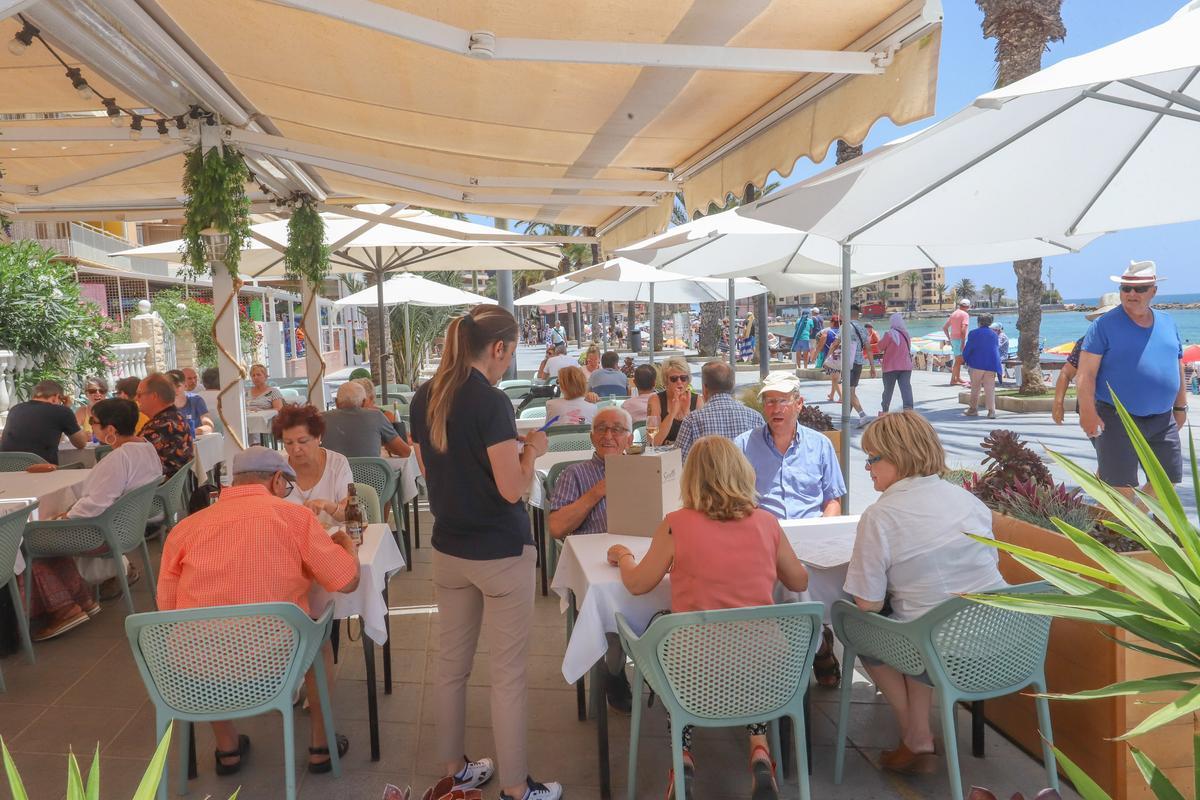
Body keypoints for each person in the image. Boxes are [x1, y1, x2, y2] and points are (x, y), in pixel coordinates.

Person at [409, 305, 562, 800]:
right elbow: (512, 488)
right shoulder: (492, 402)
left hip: (449, 547)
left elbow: (436, 471)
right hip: (499, 551)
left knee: (452, 666)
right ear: (497, 348)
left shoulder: (423, 397)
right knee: (508, 675)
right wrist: (532, 448)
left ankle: (454, 769)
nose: (507, 364)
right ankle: (517, 789)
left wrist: (502, 448)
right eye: (510, 353)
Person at [605, 436, 809, 800]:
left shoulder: (676, 524)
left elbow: (638, 584)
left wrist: (622, 556)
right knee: (747, 650)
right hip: (768, 667)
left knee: (669, 638)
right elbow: (799, 580)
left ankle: (682, 754)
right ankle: (759, 750)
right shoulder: (767, 523)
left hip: (697, 668)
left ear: (691, 478)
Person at [157, 445, 360, 775]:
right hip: (276, 664)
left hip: (194, 673)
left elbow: (168, 611)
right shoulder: (295, 518)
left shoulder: (185, 529)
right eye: (288, 487)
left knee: (195, 634)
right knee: (319, 637)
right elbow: (347, 580)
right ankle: (320, 746)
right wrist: (345, 543)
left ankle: (228, 749)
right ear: (278, 480)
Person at [845, 411, 1005, 773]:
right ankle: (917, 735)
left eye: (872, 457)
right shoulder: (969, 501)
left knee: (854, 622)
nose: (867, 466)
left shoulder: (880, 516)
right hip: (1005, 644)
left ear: (898, 457)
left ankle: (915, 733)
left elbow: (867, 602)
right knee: (919, 616)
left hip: (939, 649)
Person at [735, 372, 846, 687]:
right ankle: (815, 647)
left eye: (782, 400)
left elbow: (832, 501)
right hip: (760, 545)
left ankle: (807, 650)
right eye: (769, 401)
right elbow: (733, 501)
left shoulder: (820, 445)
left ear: (799, 404)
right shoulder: (742, 446)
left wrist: (824, 529)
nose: (775, 408)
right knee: (784, 585)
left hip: (812, 544)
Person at [546, 408, 635, 712]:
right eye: (601, 428)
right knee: (613, 612)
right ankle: (613, 670)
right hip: (596, 568)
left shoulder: (646, 470)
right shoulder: (575, 474)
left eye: (617, 429)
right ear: (591, 435)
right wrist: (598, 491)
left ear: (630, 437)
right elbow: (556, 527)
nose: (608, 436)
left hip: (639, 560)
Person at [1076, 261, 1186, 498]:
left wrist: (1180, 406)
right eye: (1126, 288)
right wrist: (1087, 411)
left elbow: (1177, 365)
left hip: (1162, 418)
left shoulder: (1167, 322)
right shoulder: (1103, 325)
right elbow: (1085, 374)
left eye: (1140, 288)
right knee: (1120, 487)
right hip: (1116, 417)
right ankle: (1123, 530)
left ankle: (1136, 527)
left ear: (1153, 291)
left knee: (1167, 482)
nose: (1131, 294)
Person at [66, 398, 163, 599]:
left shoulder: (119, 458)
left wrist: (64, 516)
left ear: (110, 429)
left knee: (30, 537)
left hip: (106, 533)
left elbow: (95, 506)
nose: (90, 425)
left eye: (93, 421)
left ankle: (65, 601)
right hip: (131, 527)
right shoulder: (146, 447)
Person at [273, 404, 354, 529]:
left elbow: (350, 514)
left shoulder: (337, 463)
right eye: (288, 443)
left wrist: (328, 506)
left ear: (318, 437)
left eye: (303, 441)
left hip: (332, 541)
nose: (295, 449)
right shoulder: (278, 468)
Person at [674, 360, 762, 461]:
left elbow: (678, 461)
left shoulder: (692, 420)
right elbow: (763, 458)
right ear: (733, 385)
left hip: (705, 476)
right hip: (744, 476)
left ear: (704, 388)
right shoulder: (755, 417)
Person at [1, 379, 87, 465]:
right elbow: (81, 443)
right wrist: (67, 408)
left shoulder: (15, 409)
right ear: (56, 397)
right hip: (41, 471)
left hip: (7, 468)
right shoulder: (62, 411)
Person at [322, 381, 411, 458]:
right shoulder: (376, 417)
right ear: (364, 402)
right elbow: (405, 452)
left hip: (336, 477)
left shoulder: (321, 419)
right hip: (371, 477)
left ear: (337, 402)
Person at [136, 373, 194, 479]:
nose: (136, 398)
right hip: (174, 490)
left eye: (139, 394)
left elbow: (132, 461)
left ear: (154, 396)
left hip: (156, 492)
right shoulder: (176, 417)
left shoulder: (160, 426)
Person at [827, 304, 875, 428]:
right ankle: (845, 418)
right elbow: (869, 349)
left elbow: (835, 343)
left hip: (848, 362)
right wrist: (872, 366)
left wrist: (828, 358)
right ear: (858, 314)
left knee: (848, 391)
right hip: (859, 361)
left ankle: (863, 415)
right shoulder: (863, 328)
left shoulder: (845, 327)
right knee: (851, 390)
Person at [645, 357, 701, 448]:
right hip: (664, 458)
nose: (679, 382)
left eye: (683, 378)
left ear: (688, 380)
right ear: (666, 381)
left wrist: (687, 413)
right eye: (674, 379)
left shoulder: (697, 400)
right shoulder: (656, 400)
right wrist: (672, 414)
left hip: (689, 457)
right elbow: (653, 442)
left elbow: (699, 441)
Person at [962, 313, 1002, 419]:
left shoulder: (973, 333)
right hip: (992, 363)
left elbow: (968, 348)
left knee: (975, 387)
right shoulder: (994, 334)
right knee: (990, 388)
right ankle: (991, 411)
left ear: (979, 322)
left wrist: (965, 359)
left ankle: (973, 409)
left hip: (977, 363)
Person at [878, 313, 914, 414]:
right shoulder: (906, 334)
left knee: (888, 390)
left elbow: (880, 347)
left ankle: (885, 409)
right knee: (906, 388)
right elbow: (909, 348)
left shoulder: (889, 334)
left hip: (890, 367)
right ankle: (909, 409)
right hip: (906, 366)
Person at [167, 369, 214, 436]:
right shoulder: (162, 404)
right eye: (170, 386)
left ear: (185, 386)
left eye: (177, 386)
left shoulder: (196, 400)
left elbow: (209, 426)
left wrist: (191, 432)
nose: (174, 389)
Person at [943, 298, 972, 387]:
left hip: (954, 339)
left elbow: (945, 328)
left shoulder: (954, 314)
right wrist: (963, 342)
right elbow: (963, 329)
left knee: (958, 360)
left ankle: (957, 378)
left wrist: (949, 338)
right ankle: (953, 380)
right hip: (959, 339)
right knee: (958, 361)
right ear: (968, 306)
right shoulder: (965, 314)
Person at [815, 315, 842, 402]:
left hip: (832, 357)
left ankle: (842, 397)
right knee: (835, 377)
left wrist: (816, 355)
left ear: (832, 322)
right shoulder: (843, 331)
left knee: (834, 378)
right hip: (842, 357)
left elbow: (820, 342)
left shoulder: (827, 331)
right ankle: (832, 396)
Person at [75, 377, 109, 441]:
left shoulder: (113, 410)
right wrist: (82, 435)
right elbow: (73, 433)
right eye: (92, 391)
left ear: (106, 393)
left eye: (101, 391)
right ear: (86, 394)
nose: (98, 393)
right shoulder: (82, 411)